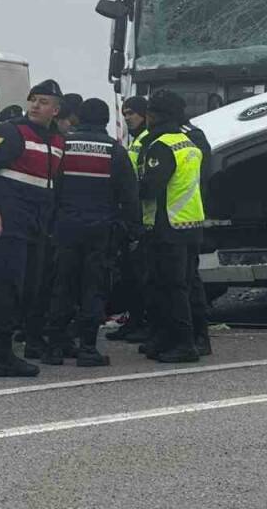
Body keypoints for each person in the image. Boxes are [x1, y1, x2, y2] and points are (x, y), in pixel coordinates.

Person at [0, 79, 65, 377]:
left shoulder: (57, 141)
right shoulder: (11, 131)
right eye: (33, 99)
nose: (36, 105)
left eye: (44, 101)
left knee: (29, 292)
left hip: (36, 226)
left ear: (56, 109)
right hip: (9, 222)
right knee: (8, 289)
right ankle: (0, 356)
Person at [41, 98, 140, 367]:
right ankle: (87, 349)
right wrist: (132, 230)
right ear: (106, 121)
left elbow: (52, 188)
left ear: (78, 118)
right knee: (93, 288)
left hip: (66, 228)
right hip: (100, 230)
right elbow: (129, 195)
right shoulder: (114, 151)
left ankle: (53, 348)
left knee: (62, 285)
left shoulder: (64, 147)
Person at [136, 89, 206, 364]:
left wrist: (131, 188)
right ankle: (172, 339)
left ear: (154, 115)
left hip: (167, 227)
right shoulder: (188, 142)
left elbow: (150, 188)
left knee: (170, 286)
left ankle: (183, 344)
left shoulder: (161, 145)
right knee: (183, 285)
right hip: (190, 223)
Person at [107, 95, 151, 345]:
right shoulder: (136, 140)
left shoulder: (146, 140)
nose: (127, 117)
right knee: (131, 276)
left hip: (142, 217)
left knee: (140, 276)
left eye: (131, 113)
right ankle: (133, 321)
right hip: (133, 215)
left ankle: (141, 322)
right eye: (124, 113)